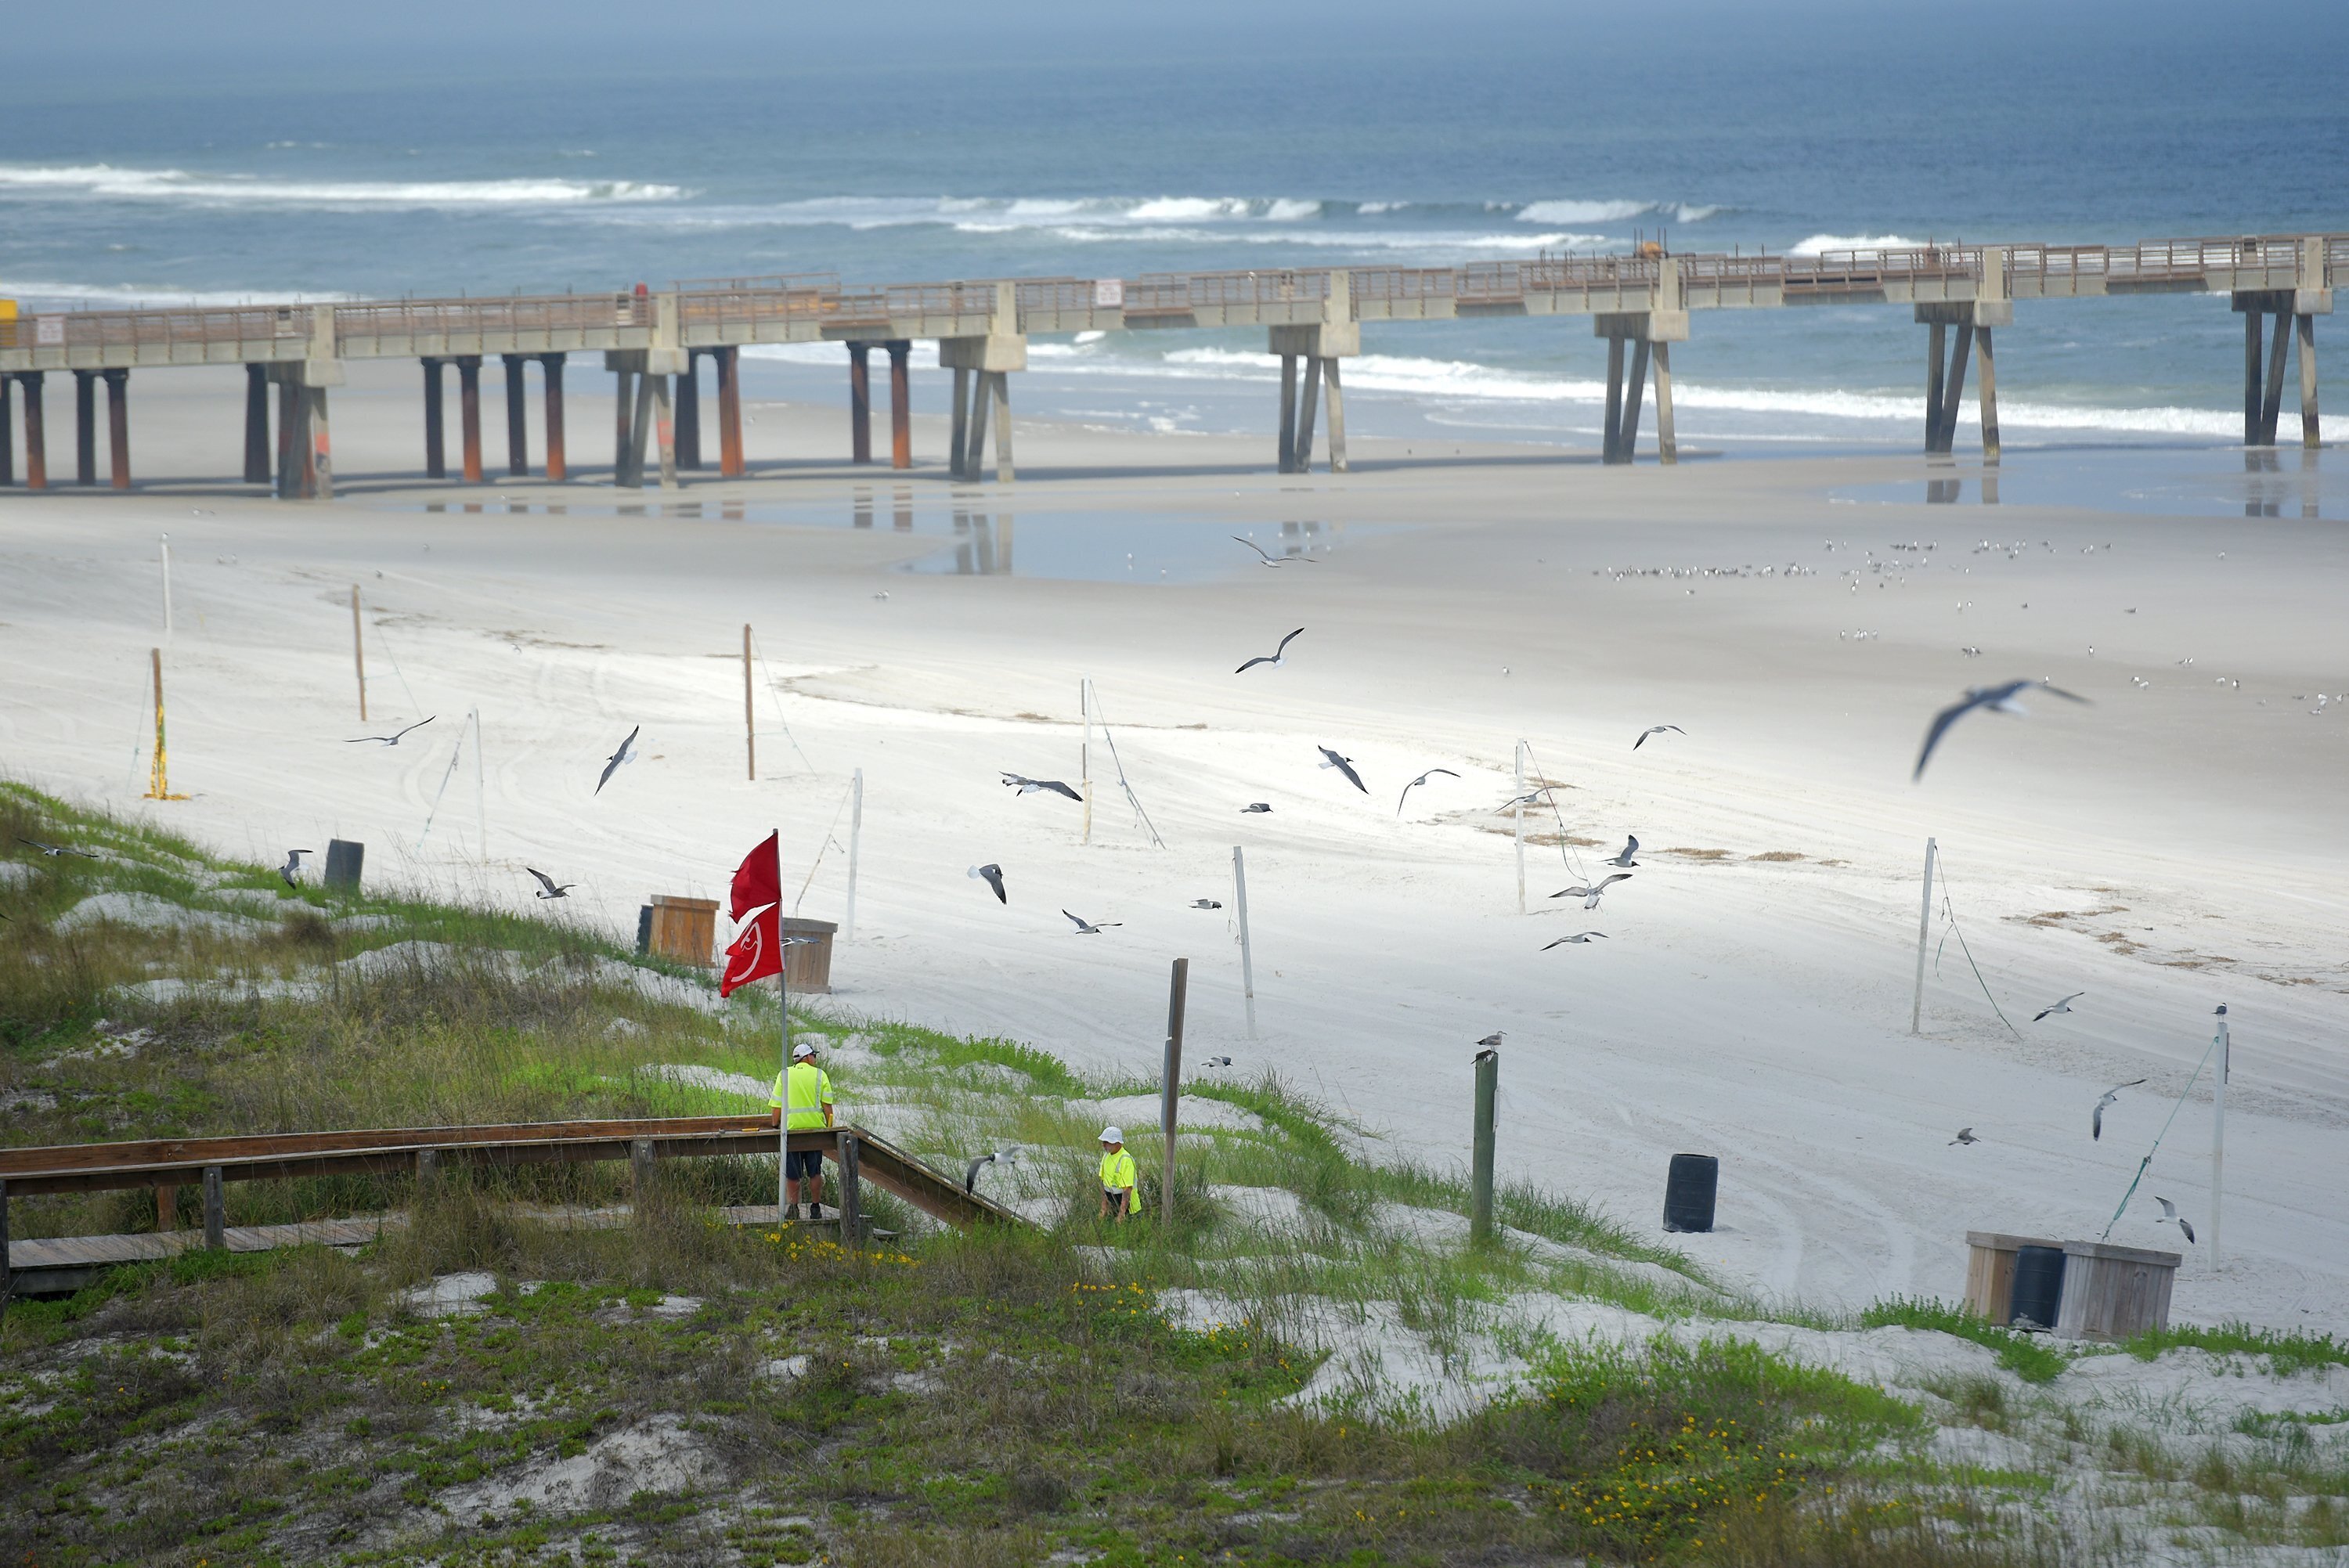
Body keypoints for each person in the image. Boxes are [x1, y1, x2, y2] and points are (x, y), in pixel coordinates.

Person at [768, 1040, 835, 1220]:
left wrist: (775, 1124)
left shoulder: (784, 1075)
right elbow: (827, 1107)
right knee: (815, 1172)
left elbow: (776, 1107)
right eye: (813, 1055)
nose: (815, 1058)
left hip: (792, 1133)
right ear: (806, 1057)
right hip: (815, 1133)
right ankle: (815, 1208)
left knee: (793, 1174)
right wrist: (828, 1131)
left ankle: (794, 1208)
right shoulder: (821, 1075)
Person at [1097, 1126, 1139, 1224]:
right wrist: (1103, 1210)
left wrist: (1121, 1214)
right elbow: (1103, 1183)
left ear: (1117, 1143)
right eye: (1103, 1142)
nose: (1104, 1145)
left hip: (1128, 1211)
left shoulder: (1125, 1159)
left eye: (1107, 1142)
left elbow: (1127, 1190)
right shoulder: (1106, 1156)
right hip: (1113, 1207)